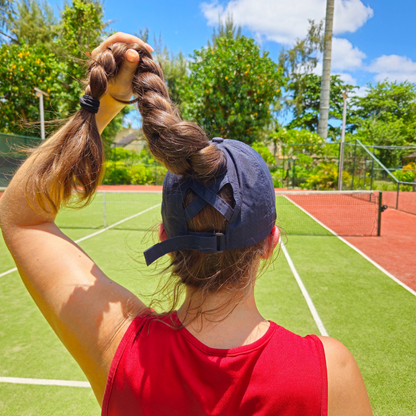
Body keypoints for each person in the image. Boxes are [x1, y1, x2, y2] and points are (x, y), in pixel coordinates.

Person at [0, 32, 373, 416]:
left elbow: (21, 217)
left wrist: (105, 101)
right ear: (269, 241)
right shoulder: (330, 372)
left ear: (166, 236)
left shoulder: (122, 349)